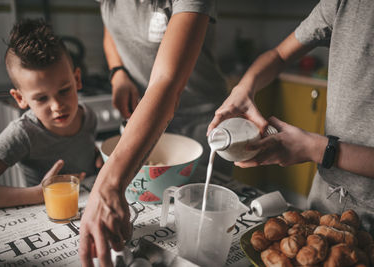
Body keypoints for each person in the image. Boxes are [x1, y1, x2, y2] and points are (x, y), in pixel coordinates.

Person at [79, 0, 228, 265]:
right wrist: (118, 73)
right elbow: (110, 26)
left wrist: (107, 185)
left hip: (201, 121)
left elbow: (167, 82)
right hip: (145, 116)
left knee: (201, 238)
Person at [208, 0, 374, 235]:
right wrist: (244, 88)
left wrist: (317, 149)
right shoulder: (343, 4)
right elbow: (279, 55)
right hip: (328, 201)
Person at [0, 18, 102, 209]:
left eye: (64, 90)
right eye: (42, 99)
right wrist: (39, 193)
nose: (57, 106)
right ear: (20, 98)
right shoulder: (22, 134)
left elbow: (83, 148)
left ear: (77, 79)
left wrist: (97, 157)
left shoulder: (87, 115)